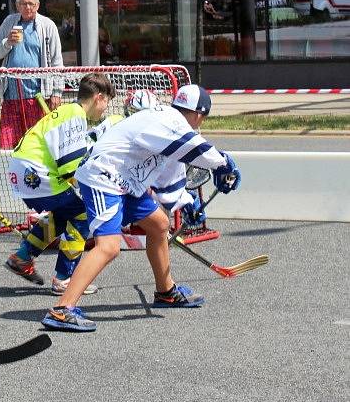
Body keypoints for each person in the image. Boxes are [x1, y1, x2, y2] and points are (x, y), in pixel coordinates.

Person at [41, 84, 242, 332]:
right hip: (104, 179)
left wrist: (188, 204)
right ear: (199, 115)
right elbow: (196, 147)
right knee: (109, 247)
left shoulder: (168, 125)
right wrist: (224, 164)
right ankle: (62, 309)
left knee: (159, 224)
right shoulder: (169, 122)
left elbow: (169, 183)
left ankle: (166, 291)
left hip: (126, 184)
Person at [5, 73, 116, 295]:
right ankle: (65, 280)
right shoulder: (75, 115)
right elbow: (70, 166)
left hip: (26, 171)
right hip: (36, 174)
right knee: (81, 214)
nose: (105, 109)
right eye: (107, 103)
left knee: (63, 214)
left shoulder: (68, 111)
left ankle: (22, 258)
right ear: (99, 97)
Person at [0, 0, 64, 149]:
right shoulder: (9, 22)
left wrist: (57, 93)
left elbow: (57, 62)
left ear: (38, 5)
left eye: (31, 3)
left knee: (36, 147)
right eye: (24, 4)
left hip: (37, 97)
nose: (28, 7)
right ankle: (9, 175)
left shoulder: (47, 25)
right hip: (11, 97)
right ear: (17, 6)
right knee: (6, 146)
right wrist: (7, 42)